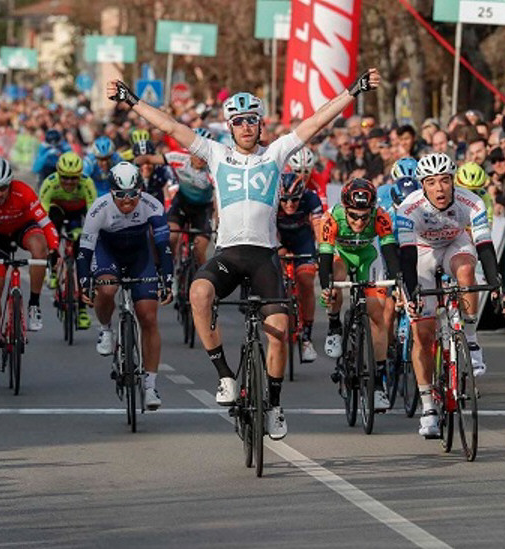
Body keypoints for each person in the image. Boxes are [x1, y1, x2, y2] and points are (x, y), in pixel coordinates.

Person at [106, 68, 380, 440]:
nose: (246, 127)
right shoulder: (215, 154)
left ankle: (276, 405)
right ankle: (225, 376)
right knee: (198, 293)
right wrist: (131, 100)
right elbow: (170, 125)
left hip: (264, 255)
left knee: (279, 330)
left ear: (260, 125)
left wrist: (353, 90)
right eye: (239, 122)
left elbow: (317, 121)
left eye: (252, 120)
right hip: (229, 255)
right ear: (230, 127)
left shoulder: (276, 153)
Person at [397, 153, 505, 438]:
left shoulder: (470, 202)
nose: (439, 188)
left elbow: (485, 247)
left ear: (453, 181)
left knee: (465, 271)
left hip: (454, 244)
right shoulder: (409, 207)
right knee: (423, 334)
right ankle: (428, 408)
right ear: (423, 185)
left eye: (445, 181)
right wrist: (412, 293)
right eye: (432, 182)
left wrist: (496, 287)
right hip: (421, 253)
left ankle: (470, 339)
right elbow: (407, 257)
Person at [77, 162, 173, 409]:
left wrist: (167, 277)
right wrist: (84, 281)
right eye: (121, 194)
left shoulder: (152, 205)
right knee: (107, 289)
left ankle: (150, 386)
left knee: (148, 316)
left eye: (133, 193)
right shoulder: (99, 208)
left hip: (139, 256)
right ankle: (106, 329)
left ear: (141, 189)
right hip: (108, 252)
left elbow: (163, 246)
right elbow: (84, 251)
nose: (127, 200)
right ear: (111, 192)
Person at [0, 157, 59, 370]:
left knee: (40, 248)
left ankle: (34, 304)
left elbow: (46, 223)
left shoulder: (23, 191)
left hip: (24, 229)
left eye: (3, 188)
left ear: (11, 184)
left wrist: (54, 249)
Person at [318, 178, 401, 411]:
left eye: (365, 217)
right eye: (354, 216)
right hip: (341, 256)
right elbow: (324, 259)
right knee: (336, 277)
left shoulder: (381, 216)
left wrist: (399, 281)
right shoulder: (331, 218)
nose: (359, 222)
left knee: (377, 316)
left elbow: (389, 252)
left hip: (367, 257)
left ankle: (378, 385)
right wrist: (327, 287)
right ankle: (334, 326)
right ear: (345, 209)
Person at [39, 151, 97, 329]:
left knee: (82, 259)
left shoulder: (87, 183)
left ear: (80, 176)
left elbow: (93, 214)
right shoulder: (50, 183)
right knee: (52, 223)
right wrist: (49, 239)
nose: (69, 182)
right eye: (65, 177)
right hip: (57, 212)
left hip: (78, 216)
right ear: (58, 174)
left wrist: (86, 234)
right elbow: (41, 215)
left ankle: (82, 311)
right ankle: (53, 269)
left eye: (74, 178)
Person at [143, 127, 215, 266]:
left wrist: (219, 218)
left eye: (204, 153)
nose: (200, 157)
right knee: (171, 237)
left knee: (199, 249)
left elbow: (218, 198)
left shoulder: (214, 168)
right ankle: (168, 269)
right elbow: (150, 159)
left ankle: (200, 276)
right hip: (182, 203)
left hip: (203, 209)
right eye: (196, 152)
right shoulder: (179, 157)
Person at [277, 172, 323, 363]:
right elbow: (266, 229)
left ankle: (306, 337)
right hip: (279, 239)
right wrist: (279, 248)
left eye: (294, 200)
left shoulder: (311, 198)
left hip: (303, 242)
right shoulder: (271, 199)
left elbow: (319, 228)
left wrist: (322, 251)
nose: (289, 204)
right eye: (284, 200)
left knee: (305, 281)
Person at [132, 139, 172, 206]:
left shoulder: (164, 172)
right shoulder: (130, 176)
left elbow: (170, 203)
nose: (145, 166)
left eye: (148, 161)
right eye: (141, 162)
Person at [454, 162, 494, 227]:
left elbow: (488, 205)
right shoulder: (452, 192)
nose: (469, 194)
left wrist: (489, 220)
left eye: (474, 190)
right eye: (465, 190)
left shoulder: (483, 194)